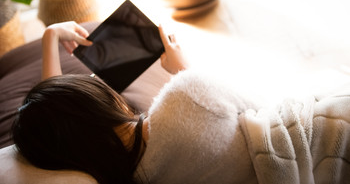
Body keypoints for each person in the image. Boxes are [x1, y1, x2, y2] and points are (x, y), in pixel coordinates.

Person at [12, 22, 350, 184]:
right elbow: (266, 102)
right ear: (97, 101)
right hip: (330, 139)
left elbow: (56, 118)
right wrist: (182, 69)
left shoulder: (132, 178)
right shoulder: (186, 96)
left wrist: (49, 39)